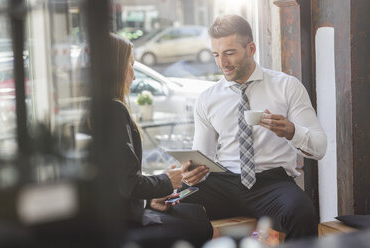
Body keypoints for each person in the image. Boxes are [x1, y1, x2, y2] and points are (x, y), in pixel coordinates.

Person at [181, 15, 327, 241]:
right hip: (225, 182)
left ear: (251, 48)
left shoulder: (287, 87)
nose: (223, 63)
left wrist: (291, 132)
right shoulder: (207, 99)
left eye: (230, 53)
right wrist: (192, 173)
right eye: (216, 55)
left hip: (272, 183)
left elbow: (319, 148)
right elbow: (203, 157)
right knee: (172, 202)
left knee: (302, 212)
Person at [84, 33, 213, 248]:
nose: (134, 76)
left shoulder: (96, 109)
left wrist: (149, 200)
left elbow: (119, 181)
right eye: (131, 65)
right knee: (200, 221)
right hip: (121, 223)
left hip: (115, 214)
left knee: (194, 211)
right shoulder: (114, 111)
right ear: (116, 69)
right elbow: (129, 184)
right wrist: (167, 180)